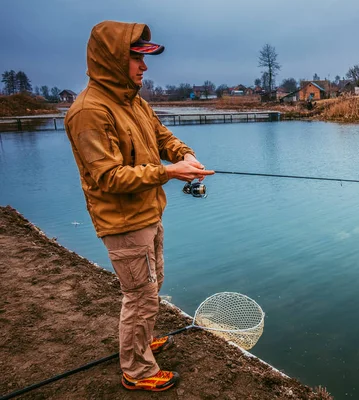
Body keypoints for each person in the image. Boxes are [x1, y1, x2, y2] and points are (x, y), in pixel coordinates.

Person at [64, 20, 213, 392]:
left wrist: (185, 156)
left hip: (148, 213)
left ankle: (141, 342)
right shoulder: (89, 112)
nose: (144, 67)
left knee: (153, 284)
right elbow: (109, 177)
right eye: (136, 59)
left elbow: (162, 137)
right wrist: (168, 173)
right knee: (140, 296)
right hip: (123, 222)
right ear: (113, 60)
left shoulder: (134, 101)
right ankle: (137, 369)